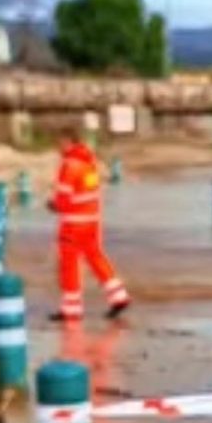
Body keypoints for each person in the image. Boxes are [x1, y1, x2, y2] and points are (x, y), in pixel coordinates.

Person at [48, 126, 130, 321]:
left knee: (69, 266)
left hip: (73, 224)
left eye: (60, 143)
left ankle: (71, 309)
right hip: (91, 221)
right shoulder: (89, 163)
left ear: (68, 142)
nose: (58, 147)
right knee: (96, 258)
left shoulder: (69, 165)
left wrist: (53, 205)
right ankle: (119, 296)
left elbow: (64, 199)